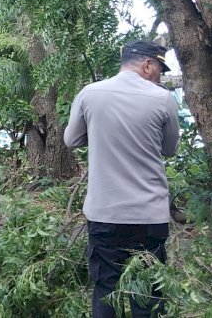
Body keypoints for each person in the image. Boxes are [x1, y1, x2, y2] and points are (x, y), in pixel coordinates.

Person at [63, 40, 180, 317]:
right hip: (149, 216)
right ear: (147, 64)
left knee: (106, 288)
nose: (159, 77)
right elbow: (169, 149)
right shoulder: (163, 99)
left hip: (105, 213)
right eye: (159, 69)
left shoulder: (90, 93)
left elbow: (71, 139)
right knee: (148, 292)